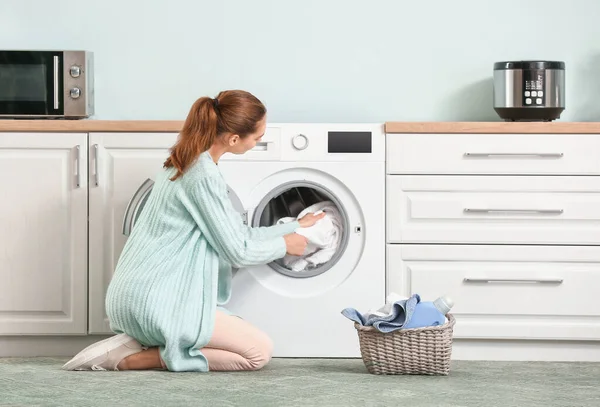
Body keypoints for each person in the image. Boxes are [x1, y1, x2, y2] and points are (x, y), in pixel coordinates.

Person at [62, 90, 325, 372]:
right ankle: (133, 358)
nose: (260, 139)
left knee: (239, 341)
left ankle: (144, 341)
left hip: (136, 296)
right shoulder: (203, 176)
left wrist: (295, 226)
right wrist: (286, 246)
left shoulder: (185, 161)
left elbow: (239, 234)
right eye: (258, 136)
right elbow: (238, 251)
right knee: (258, 353)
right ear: (234, 139)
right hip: (158, 302)